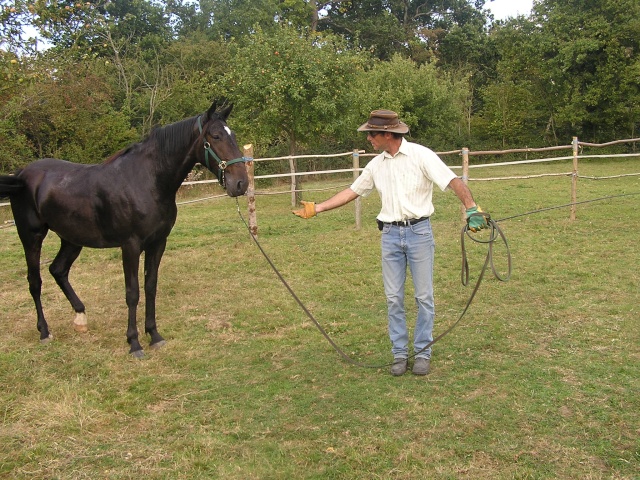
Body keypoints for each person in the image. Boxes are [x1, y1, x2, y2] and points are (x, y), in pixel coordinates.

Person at [293, 110, 488, 376]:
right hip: (390, 236)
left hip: (419, 233)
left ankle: (422, 352)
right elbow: (353, 191)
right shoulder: (376, 165)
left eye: (371, 134)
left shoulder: (422, 155)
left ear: (388, 134)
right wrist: (318, 208)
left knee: (424, 297)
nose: (368, 139)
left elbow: (453, 181)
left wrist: (472, 208)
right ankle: (399, 353)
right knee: (394, 298)